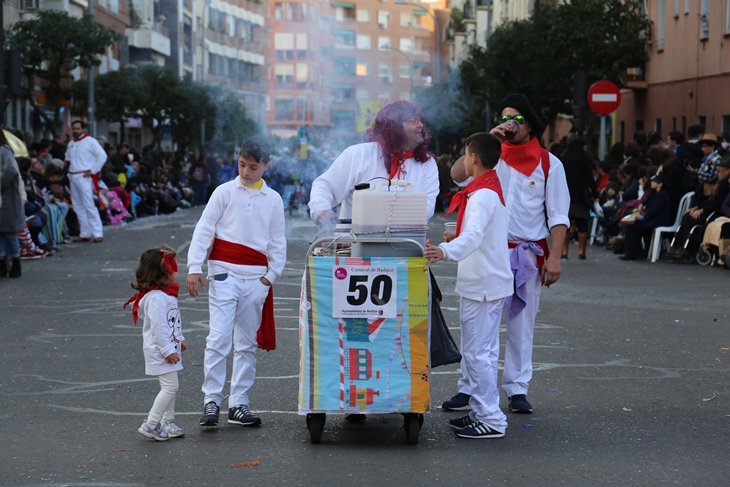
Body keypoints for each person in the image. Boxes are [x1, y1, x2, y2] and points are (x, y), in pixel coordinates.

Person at [446, 93, 570, 414]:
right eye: (505, 117)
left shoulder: (549, 163)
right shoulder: (489, 156)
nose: (509, 123)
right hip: (489, 253)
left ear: (530, 124)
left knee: (521, 324)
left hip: (527, 253)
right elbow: (457, 175)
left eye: (516, 118)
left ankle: (517, 389)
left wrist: (554, 258)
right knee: (478, 326)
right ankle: (470, 387)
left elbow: (558, 216)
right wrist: (489, 139)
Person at [187, 137, 286, 428]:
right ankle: (212, 402)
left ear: (266, 166)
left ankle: (239, 403)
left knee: (247, 344)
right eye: (242, 165)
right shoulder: (223, 192)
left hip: (257, 277)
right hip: (223, 273)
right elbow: (204, 228)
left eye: (253, 167)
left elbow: (278, 241)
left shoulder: (274, 199)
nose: (245, 172)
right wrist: (194, 266)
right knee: (218, 338)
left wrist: (270, 278)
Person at [424, 133, 512, 439]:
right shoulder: (488, 189)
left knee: (477, 353)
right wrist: (454, 242)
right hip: (487, 281)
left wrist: (444, 251)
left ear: (473, 157)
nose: (463, 158)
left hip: (483, 284)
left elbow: (474, 236)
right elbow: (479, 235)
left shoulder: (482, 194)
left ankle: (491, 418)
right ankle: (481, 411)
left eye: (464, 153)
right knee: (482, 353)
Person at [308, 100, 440, 224]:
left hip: (406, 244)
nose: (421, 125)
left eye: (421, 120)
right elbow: (325, 186)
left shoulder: (427, 164)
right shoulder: (359, 154)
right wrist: (322, 210)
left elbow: (426, 209)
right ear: (394, 126)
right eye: (414, 120)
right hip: (353, 244)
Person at [124, 245, 187, 441]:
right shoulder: (158, 298)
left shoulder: (163, 295)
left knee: (169, 386)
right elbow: (159, 329)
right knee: (170, 387)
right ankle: (151, 424)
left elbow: (172, 322)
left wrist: (180, 338)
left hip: (167, 347)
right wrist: (168, 350)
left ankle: (168, 422)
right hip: (161, 350)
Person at [65, 120, 107, 243]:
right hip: (73, 176)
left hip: (85, 176)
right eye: (74, 128)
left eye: (78, 128)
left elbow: (102, 156)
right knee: (78, 205)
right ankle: (85, 233)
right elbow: (67, 157)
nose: (75, 131)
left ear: (83, 129)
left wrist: (93, 170)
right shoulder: (71, 143)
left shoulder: (91, 141)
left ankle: (97, 233)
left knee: (89, 204)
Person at [618, 172, 672, 261]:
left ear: (660, 184)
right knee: (635, 225)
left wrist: (644, 217)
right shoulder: (657, 194)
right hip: (656, 219)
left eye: (654, 181)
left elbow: (655, 210)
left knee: (633, 227)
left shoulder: (661, 195)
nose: (652, 182)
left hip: (658, 220)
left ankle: (633, 253)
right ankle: (636, 251)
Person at [561, 139, 597, 260]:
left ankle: (564, 251)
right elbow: (590, 179)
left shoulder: (563, 160)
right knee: (582, 224)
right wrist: (595, 194)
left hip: (566, 196)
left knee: (565, 224)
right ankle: (582, 251)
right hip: (582, 197)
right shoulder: (585, 161)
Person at [0, 131, 25, 279]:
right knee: (1, 232)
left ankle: (16, 261)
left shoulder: (4, 149)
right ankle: (2, 262)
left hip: (7, 198)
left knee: (9, 232)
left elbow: (10, 169)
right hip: (4, 197)